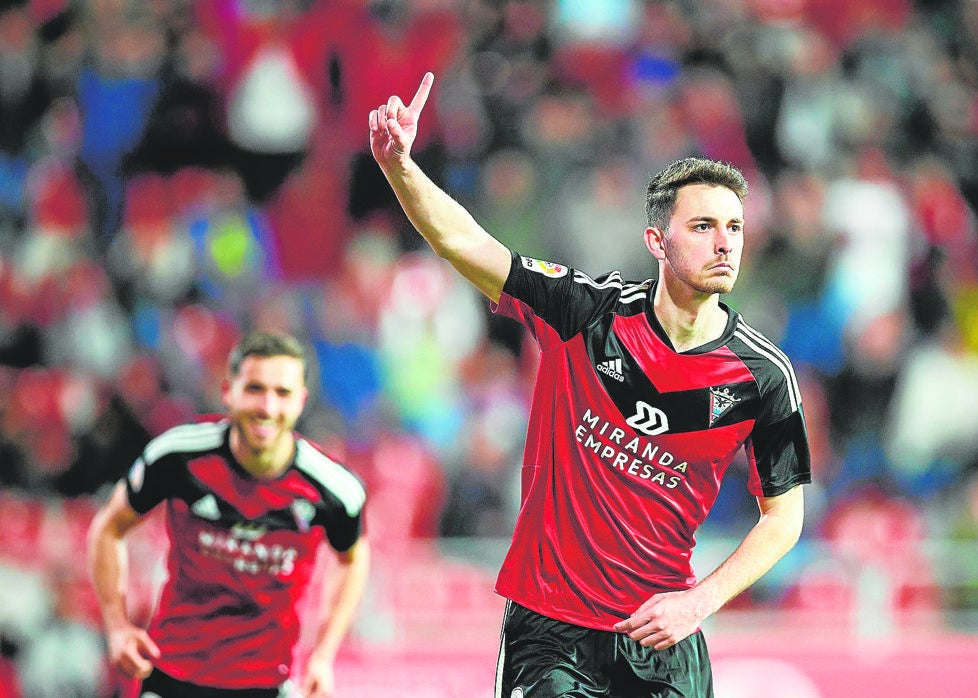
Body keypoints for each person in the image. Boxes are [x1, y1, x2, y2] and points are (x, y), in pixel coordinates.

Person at [370, 73, 810, 696]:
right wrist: (399, 166)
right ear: (657, 241)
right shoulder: (585, 310)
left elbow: (785, 518)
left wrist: (699, 602)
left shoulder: (765, 377)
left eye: (735, 227)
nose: (725, 243)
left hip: (663, 636)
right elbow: (463, 241)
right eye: (704, 226)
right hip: (550, 631)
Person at [86, 331, 370, 698]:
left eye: (282, 393)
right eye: (255, 389)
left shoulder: (333, 488)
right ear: (228, 392)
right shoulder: (179, 455)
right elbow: (109, 527)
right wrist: (117, 626)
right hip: (173, 674)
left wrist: (323, 656)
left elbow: (353, 557)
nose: (267, 407)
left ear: (300, 401)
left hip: (265, 684)